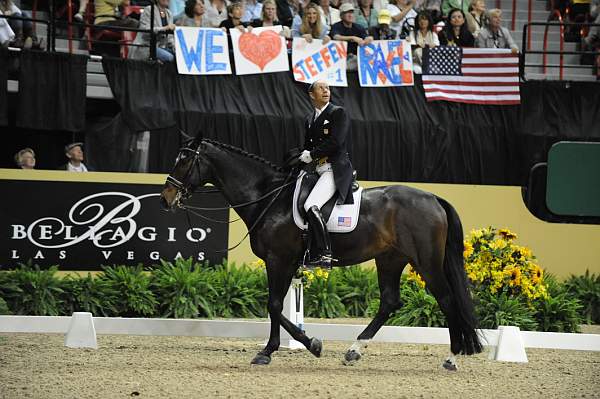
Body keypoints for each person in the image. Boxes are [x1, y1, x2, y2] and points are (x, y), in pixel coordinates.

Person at [298, 80, 354, 268]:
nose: (326, 91)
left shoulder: (337, 113)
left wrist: (311, 154)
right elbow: (307, 147)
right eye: (321, 88)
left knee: (311, 204)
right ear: (312, 95)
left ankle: (324, 253)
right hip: (317, 170)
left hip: (333, 169)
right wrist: (300, 157)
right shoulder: (309, 119)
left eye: (327, 88)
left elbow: (336, 142)